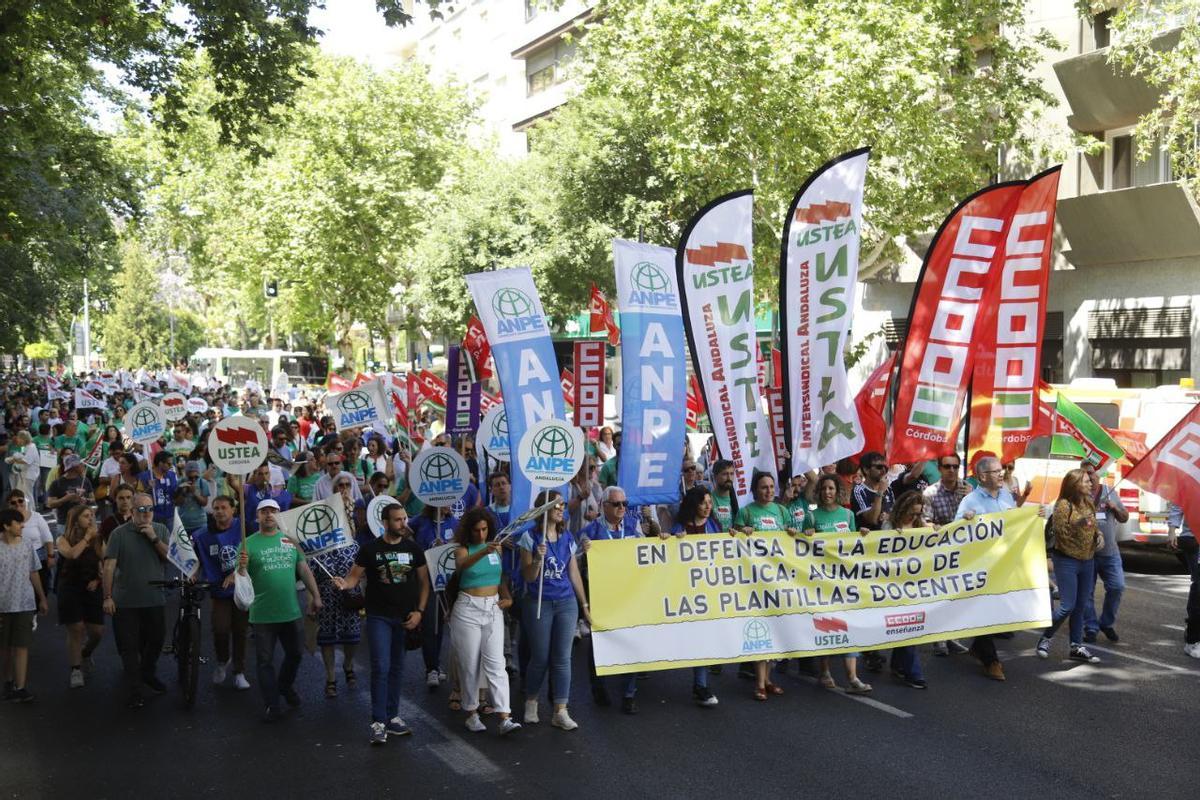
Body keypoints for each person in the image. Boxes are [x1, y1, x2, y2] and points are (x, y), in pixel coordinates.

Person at [335, 503, 429, 744]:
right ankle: (378, 722)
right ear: (385, 523)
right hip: (379, 616)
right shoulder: (370, 549)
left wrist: (419, 612)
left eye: (404, 518)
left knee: (397, 667)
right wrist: (344, 584)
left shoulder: (413, 549)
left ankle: (393, 716)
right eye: (398, 520)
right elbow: (353, 578)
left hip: (405, 618)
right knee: (381, 667)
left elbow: (424, 583)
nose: (403, 523)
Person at [237, 498, 322, 722]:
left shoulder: (289, 540)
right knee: (265, 662)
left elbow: (303, 569)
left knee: (296, 654)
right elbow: (240, 580)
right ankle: (272, 704)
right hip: (262, 614)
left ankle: (284, 685)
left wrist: (316, 595)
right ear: (257, 516)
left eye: (273, 511)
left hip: (290, 611)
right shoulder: (247, 544)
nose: (268, 515)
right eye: (264, 511)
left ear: (278, 515)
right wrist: (242, 567)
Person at [520, 491, 590, 730]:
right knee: (540, 657)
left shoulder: (567, 536)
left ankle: (560, 710)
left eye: (562, 505)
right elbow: (529, 577)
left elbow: (573, 572)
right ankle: (531, 701)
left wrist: (584, 605)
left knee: (562, 658)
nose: (562, 509)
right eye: (557, 505)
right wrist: (537, 561)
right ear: (544, 509)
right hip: (539, 602)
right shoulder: (529, 538)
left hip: (566, 602)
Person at [449, 507, 521, 734]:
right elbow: (462, 565)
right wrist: (483, 551)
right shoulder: (462, 550)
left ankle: (504, 717)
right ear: (468, 531)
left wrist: (508, 597)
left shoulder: (495, 548)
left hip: (493, 607)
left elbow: (499, 578)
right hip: (467, 608)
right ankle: (471, 713)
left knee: (497, 663)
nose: (481, 534)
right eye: (476, 530)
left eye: (484, 529)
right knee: (469, 663)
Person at [803, 474, 872, 694]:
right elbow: (802, 549)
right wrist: (807, 534)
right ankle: (824, 672)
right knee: (826, 625)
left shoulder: (848, 515)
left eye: (831, 488)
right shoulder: (811, 516)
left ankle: (852, 678)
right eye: (824, 488)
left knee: (849, 625)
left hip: (845, 581)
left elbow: (854, 545)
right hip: (822, 581)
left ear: (838, 491)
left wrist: (862, 535)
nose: (827, 492)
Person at [102, 493, 170, 709]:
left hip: (154, 598)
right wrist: (107, 597)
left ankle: (147, 672)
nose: (146, 513)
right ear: (132, 512)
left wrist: (154, 538)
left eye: (150, 509)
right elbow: (109, 566)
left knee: (156, 640)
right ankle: (135, 690)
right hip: (125, 601)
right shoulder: (118, 534)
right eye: (141, 509)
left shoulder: (160, 529)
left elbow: (170, 557)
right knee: (129, 647)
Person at [579, 486, 643, 712]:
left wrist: (661, 536)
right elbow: (576, 561)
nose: (622, 508)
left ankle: (629, 694)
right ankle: (598, 686)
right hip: (601, 595)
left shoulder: (634, 526)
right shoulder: (590, 531)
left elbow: (647, 552)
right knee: (600, 642)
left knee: (631, 640)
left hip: (628, 594)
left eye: (624, 504)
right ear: (604, 505)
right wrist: (584, 551)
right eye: (616, 504)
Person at [955, 455, 1019, 681]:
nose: (1002, 474)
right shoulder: (970, 501)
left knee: (998, 610)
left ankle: (978, 647)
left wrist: (1032, 516)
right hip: (981, 565)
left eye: (1001, 470)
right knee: (985, 610)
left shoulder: (1006, 495)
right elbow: (956, 531)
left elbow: (1015, 522)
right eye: (996, 471)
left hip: (1004, 563)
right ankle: (991, 661)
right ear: (982, 476)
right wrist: (965, 519)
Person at [663, 485, 722, 706]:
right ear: (693, 505)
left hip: (708, 590)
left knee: (703, 637)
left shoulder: (714, 525)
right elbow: (668, 554)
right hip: (684, 592)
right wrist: (669, 539)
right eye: (703, 503)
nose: (708, 507)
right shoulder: (680, 527)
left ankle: (701, 685)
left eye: (710, 502)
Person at [1037, 469, 1103, 664]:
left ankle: (1076, 646)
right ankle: (1046, 638)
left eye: (1090, 481)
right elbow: (1061, 534)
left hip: (1088, 560)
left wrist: (1099, 536)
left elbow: (1094, 528)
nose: (1090, 484)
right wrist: (1079, 523)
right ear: (1075, 485)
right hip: (1067, 560)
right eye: (1086, 481)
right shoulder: (1064, 505)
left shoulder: (1089, 503)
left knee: (1080, 606)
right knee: (1067, 606)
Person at [312, 475, 364, 699]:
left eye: (346, 485)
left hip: (350, 588)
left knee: (352, 636)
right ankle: (331, 677)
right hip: (326, 590)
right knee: (327, 637)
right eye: (339, 486)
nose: (343, 489)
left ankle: (348, 664)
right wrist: (313, 597)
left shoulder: (355, 509)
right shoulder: (320, 513)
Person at [192, 495, 250, 690]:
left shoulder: (244, 528)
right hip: (219, 590)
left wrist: (237, 573)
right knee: (220, 629)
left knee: (240, 631)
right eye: (216, 508)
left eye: (224, 507)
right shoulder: (202, 535)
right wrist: (192, 574)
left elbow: (254, 552)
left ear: (233, 510)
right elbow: (196, 560)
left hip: (242, 589)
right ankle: (222, 660)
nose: (219, 511)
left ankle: (239, 672)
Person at [922, 454, 971, 656]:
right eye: (947, 466)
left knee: (959, 596)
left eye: (955, 466)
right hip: (940, 551)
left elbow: (979, 516)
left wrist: (970, 499)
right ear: (940, 468)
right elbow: (925, 521)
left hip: (963, 550)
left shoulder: (967, 489)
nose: (952, 470)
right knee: (941, 595)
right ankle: (939, 639)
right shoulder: (930, 493)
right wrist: (936, 528)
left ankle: (953, 637)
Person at [55, 504, 106, 688]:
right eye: (86, 516)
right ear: (75, 520)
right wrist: (86, 538)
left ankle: (86, 652)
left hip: (91, 587)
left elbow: (104, 561)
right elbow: (72, 554)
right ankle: (75, 669)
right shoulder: (62, 539)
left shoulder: (97, 539)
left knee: (97, 632)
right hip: (69, 587)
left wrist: (98, 580)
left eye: (91, 515)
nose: (90, 519)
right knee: (76, 628)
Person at [0, 507, 49, 703]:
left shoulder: (27, 545)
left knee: (21, 646)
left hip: (25, 603)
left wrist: (42, 598)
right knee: (5, 648)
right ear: (6, 526)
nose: (22, 526)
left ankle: (20, 687)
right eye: (18, 523)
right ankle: (7, 682)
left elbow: (33, 572)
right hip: (2, 606)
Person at [1080, 460, 1128, 644]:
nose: (1088, 477)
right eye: (1084, 473)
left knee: (1117, 587)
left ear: (1098, 474)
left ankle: (1106, 623)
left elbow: (1124, 518)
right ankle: (1091, 627)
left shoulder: (1109, 491)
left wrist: (1114, 507)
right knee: (1086, 592)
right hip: (1087, 554)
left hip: (1109, 553)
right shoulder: (1078, 494)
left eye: (1091, 473)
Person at [887, 491, 931, 688]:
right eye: (911, 513)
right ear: (902, 509)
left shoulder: (920, 526)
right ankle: (914, 673)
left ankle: (899, 665)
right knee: (907, 626)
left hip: (914, 586)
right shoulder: (889, 526)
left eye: (918, 514)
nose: (914, 517)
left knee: (908, 626)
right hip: (894, 586)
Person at [1166, 502, 1199, 659]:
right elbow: (1179, 503)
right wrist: (1172, 530)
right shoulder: (1193, 485)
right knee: (1199, 586)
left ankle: (1192, 627)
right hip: (1194, 540)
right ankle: (1192, 640)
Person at [8, 490, 53, 594]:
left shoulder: (36, 516)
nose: (17, 504)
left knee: (41, 587)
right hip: (16, 559)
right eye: (13, 502)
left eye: (20, 501)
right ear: (9, 505)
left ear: (25, 501)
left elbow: (47, 537)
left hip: (39, 556)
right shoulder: (6, 521)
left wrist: (51, 556)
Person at [47, 454, 95, 532]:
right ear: (75, 467)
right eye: (80, 464)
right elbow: (50, 504)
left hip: (84, 523)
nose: (83, 466)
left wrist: (86, 500)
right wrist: (65, 499)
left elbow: (93, 499)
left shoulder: (85, 480)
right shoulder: (57, 483)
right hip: (65, 523)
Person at [138, 450, 178, 528]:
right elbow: (138, 497)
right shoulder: (144, 477)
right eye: (169, 464)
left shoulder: (172, 475)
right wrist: (148, 488)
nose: (171, 466)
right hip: (152, 516)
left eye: (171, 464)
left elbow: (175, 494)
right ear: (160, 463)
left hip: (169, 515)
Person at [709, 460, 737, 531]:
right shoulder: (708, 499)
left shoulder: (738, 499)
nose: (729, 478)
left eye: (731, 474)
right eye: (724, 474)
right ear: (715, 476)